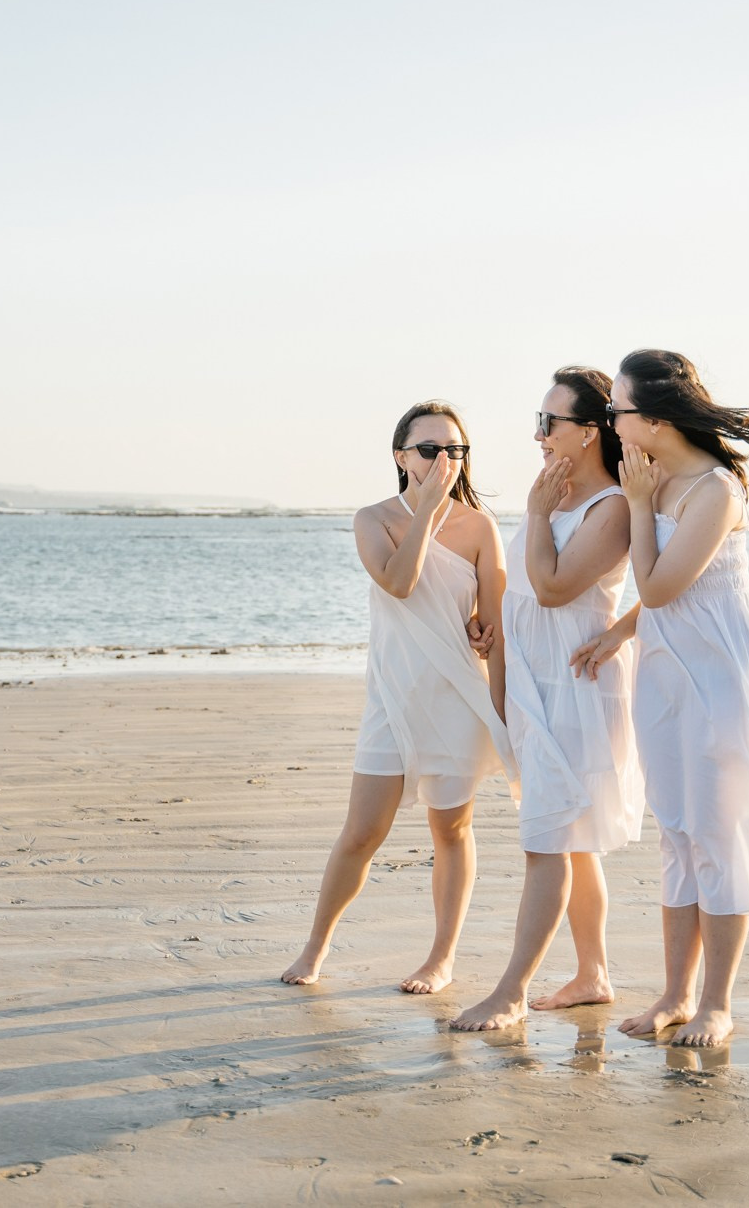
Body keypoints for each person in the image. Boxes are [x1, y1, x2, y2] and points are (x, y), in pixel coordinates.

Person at [584, 348, 749, 1046]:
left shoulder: (714, 489)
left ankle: (717, 1002)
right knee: (677, 830)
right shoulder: (648, 478)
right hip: (665, 666)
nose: (609, 421)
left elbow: (659, 586)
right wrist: (618, 633)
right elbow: (654, 603)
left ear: (653, 418)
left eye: (616, 410)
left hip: (720, 668)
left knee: (719, 825)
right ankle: (675, 994)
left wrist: (642, 505)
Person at [282, 400, 515, 994]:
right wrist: (429, 511)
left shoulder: (481, 528)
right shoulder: (373, 519)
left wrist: (503, 706)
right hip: (392, 695)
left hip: (455, 697)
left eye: (455, 451)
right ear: (401, 456)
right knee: (362, 831)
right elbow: (399, 583)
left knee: (452, 831)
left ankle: (441, 958)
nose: (445, 461)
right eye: (430, 450)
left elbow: (495, 630)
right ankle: (315, 948)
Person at [453, 367, 643, 1031]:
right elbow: (517, 597)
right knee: (572, 839)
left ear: (589, 432)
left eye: (549, 422)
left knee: (549, 839)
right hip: (532, 687)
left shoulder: (612, 506)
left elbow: (555, 585)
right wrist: (498, 677)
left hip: (576, 691)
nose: (537, 434)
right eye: (537, 421)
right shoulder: (552, 497)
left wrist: (535, 514)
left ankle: (511, 989)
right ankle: (593, 973)